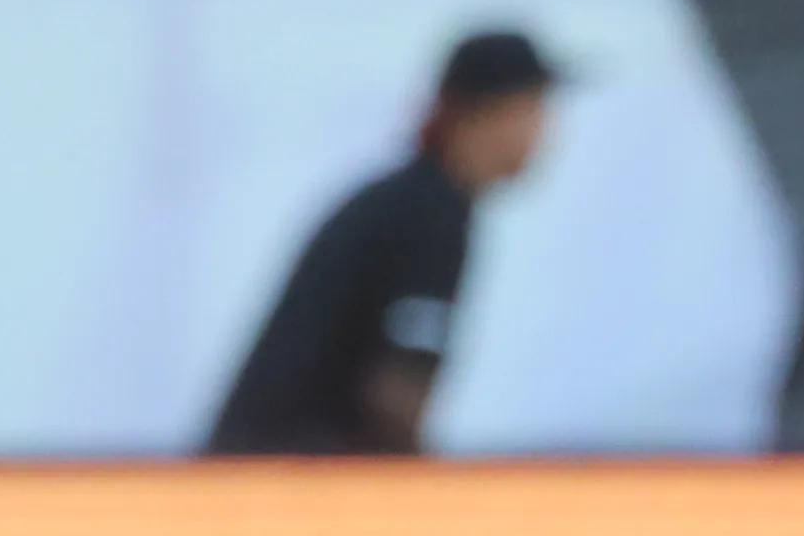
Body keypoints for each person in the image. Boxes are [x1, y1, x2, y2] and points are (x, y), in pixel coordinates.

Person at [204, 28, 557, 457]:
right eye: (533, 109)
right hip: (286, 483)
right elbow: (395, 398)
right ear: (483, 113)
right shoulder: (431, 216)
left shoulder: (410, 200)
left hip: (263, 472)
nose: (544, 133)